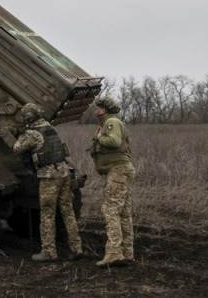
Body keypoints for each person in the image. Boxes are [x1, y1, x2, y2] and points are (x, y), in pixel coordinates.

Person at [12, 103, 83, 262]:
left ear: (28, 117)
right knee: (68, 211)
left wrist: (19, 134)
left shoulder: (32, 133)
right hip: (64, 172)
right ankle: (76, 248)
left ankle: (49, 252)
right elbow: (63, 151)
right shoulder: (50, 128)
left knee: (47, 213)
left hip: (49, 176)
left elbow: (16, 149)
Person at [90, 97, 135, 267]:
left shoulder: (111, 122)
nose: (96, 111)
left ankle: (114, 253)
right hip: (122, 169)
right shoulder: (112, 122)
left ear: (104, 109)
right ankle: (127, 253)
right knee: (123, 212)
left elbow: (114, 141)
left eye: (98, 108)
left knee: (111, 210)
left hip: (118, 170)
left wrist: (100, 137)